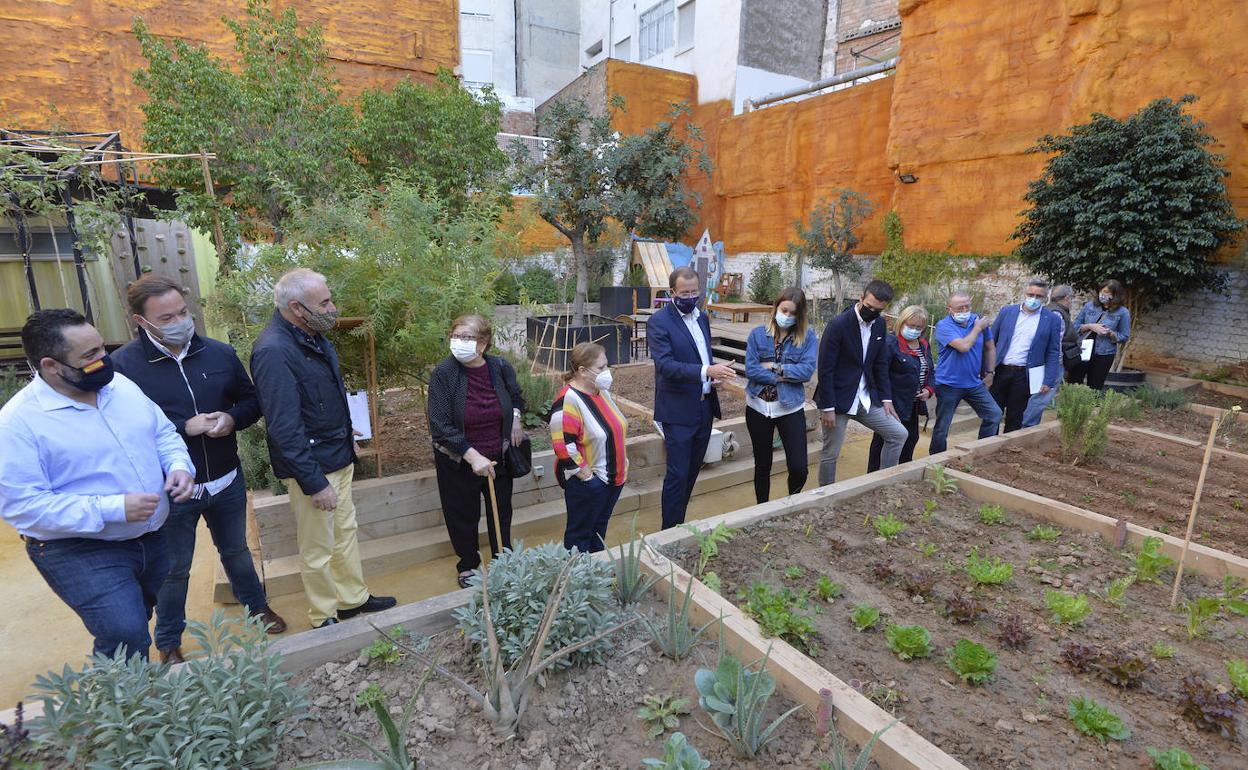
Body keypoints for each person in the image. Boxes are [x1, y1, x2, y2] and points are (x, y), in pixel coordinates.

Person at [0, 309, 194, 660]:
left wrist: (179, 466)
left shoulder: (119, 385)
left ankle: (133, 696)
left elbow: (162, 432)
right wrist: (114, 508)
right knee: (124, 634)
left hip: (151, 536)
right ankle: (123, 710)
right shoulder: (17, 424)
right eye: (90, 356)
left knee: (135, 622)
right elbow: (22, 505)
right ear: (51, 365)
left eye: (101, 348)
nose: (103, 360)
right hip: (80, 549)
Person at [112, 275, 286, 664]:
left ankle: (257, 608)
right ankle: (169, 639)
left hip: (225, 478)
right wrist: (180, 429)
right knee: (174, 570)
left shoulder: (219, 354)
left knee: (237, 551)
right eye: (167, 316)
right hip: (172, 491)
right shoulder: (123, 368)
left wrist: (230, 417)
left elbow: (251, 401)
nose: (180, 321)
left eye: (183, 312)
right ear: (142, 322)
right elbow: (118, 432)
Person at [250, 268, 395, 628]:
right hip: (314, 468)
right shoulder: (273, 351)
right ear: (298, 308)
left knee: (345, 535)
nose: (333, 309)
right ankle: (323, 615)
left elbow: (328, 400)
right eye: (325, 302)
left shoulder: (313, 338)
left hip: (337, 456)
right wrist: (314, 482)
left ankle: (351, 599)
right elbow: (284, 427)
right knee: (317, 548)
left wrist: (349, 442)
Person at [428, 313, 526, 588]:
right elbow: (440, 425)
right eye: (456, 336)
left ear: (483, 344)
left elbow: (516, 396)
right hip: (458, 460)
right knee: (462, 515)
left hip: (498, 456)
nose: (459, 342)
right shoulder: (444, 374)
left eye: (467, 337)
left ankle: (502, 561)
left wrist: (515, 418)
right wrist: (472, 455)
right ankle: (468, 563)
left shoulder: (499, 367)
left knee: (501, 512)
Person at [648, 267, 736, 529]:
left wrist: (712, 378)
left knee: (692, 472)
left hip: (703, 408)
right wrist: (705, 371)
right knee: (677, 474)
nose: (690, 297)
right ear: (672, 292)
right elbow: (666, 366)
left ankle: (679, 525)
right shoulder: (659, 322)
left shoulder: (702, 319)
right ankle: (668, 532)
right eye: (684, 292)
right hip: (677, 411)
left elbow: (700, 357)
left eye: (695, 292)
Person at [814, 279, 909, 485]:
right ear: (861, 298)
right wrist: (827, 406)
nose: (872, 312)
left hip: (866, 399)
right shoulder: (838, 325)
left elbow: (880, 364)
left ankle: (883, 484)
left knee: (899, 434)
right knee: (831, 452)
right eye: (869, 307)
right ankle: (825, 495)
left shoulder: (880, 324)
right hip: (838, 401)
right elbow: (825, 369)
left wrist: (886, 399)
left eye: (878, 310)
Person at [550, 343, 629, 552]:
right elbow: (563, 446)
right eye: (601, 368)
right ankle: (577, 580)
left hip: (612, 478)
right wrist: (587, 478)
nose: (607, 372)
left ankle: (596, 577)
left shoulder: (600, 391)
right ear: (583, 371)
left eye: (607, 366)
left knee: (598, 531)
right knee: (580, 536)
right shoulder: (568, 400)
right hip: (590, 483)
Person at [743, 286, 817, 503]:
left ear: (800, 315)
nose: (787, 316)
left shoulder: (807, 337)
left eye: (793, 313)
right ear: (776, 308)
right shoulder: (758, 335)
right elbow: (751, 369)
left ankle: (790, 502)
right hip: (758, 407)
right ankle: (762, 508)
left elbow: (806, 371)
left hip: (789, 407)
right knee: (762, 465)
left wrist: (774, 369)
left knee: (799, 467)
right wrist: (784, 375)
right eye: (784, 310)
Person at [928, 292, 1002, 455]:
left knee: (994, 414)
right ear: (949, 309)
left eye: (967, 306)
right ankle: (937, 460)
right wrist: (977, 328)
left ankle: (981, 453)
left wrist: (990, 371)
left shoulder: (978, 321)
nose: (965, 310)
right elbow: (963, 347)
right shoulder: (944, 326)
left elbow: (990, 346)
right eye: (960, 307)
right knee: (942, 427)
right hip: (948, 384)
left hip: (974, 383)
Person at [989, 279, 1063, 433]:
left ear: (1045, 297)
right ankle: (984, 448)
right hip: (1000, 371)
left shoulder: (1052, 319)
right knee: (992, 415)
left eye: (1038, 296)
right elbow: (990, 341)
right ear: (1025, 293)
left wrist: (1048, 380)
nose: (1034, 299)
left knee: (1016, 417)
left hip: (1025, 375)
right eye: (1031, 294)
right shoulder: (1007, 312)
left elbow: (1053, 351)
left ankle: (1008, 450)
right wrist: (986, 369)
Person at [867, 305, 934, 472]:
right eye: (910, 326)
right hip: (893, 403)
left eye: (918, 327)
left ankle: (902, 473)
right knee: (883, 440)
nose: (914, 330)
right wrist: (885, 400)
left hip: (912, 404)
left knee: (911, 439)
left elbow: (930, 371)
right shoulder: (891, 343)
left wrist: (929, 389)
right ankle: (873, 476)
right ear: (902, 322)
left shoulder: (923, 345)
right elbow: (881, 374)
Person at [1020, 283, 1078, 428]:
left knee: (1036, 396)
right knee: (1040, 397)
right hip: (1049, 363)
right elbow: (1055, 345)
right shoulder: (1057, 314)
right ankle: (1027, 428)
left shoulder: (1050, 311)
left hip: (1041, 361)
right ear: (1067, 298)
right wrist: (1055, 367)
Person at [1069, 279, 1131, 390]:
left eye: (1107, 292)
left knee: (1095, 387)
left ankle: (1090, 407)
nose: (1103, 295)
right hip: (1083, 349)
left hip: (1104, 353)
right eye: (1102, 291)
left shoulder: (1122, 312)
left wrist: (1110, 333)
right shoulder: (1089, 306)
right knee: (1074, 383)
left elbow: (1124, 336)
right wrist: (1089, 326)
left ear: (1115, 295)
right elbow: (1075, 326)